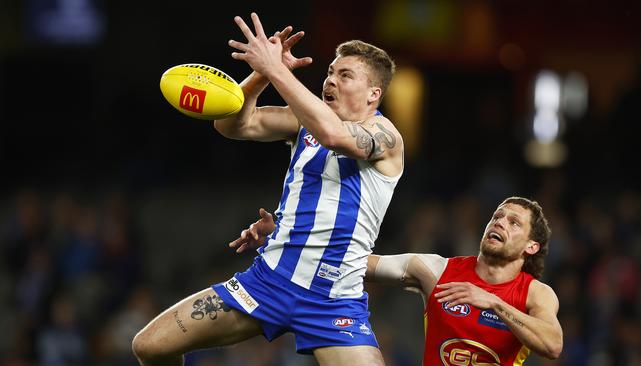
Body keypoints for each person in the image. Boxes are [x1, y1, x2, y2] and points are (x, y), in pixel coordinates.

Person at [132, 12, 403, 366]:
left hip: (332, 300)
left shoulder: (386, 137)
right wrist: (261, 74)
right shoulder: (303, 122)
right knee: (149, 346)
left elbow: (335, 136)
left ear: (373, 94)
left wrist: (277, 70)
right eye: (330, 73)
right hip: (267, 284)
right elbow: (232, 125)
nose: (331, 81)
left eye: (345, 75)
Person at [233, 197, 563, 365]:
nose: (500, 223)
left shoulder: (536, 294)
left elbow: (552, 345)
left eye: (514, 222)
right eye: (497, 216)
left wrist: (493, 301)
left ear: (531, 246)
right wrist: (282, 238)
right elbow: (357, 263)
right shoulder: (435, 270)